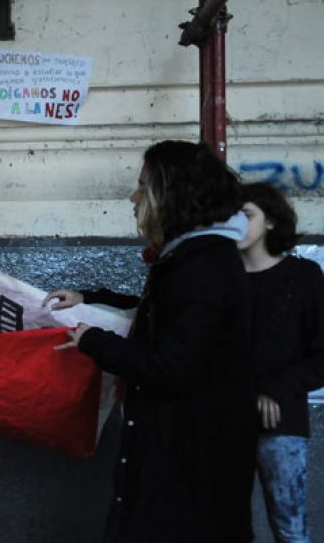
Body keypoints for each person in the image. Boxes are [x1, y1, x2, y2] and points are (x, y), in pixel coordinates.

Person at [44, 140, 257, 542]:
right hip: (185, 457)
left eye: (143, 186)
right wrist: (90, 299)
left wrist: (94, 341)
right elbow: (166, 315)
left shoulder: (201, 265)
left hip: (188, 465)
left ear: (172, 194)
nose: (133, 196)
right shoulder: (195, 257)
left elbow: (171, 364)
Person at [238, 182, 324, 543]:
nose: (236, 225)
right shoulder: (219, 279)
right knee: (225, 527)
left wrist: (276, 389)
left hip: (281, 425)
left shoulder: (303, 277)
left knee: (290, 529)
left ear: (271, 221)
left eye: (246, 215)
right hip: (223, 422)